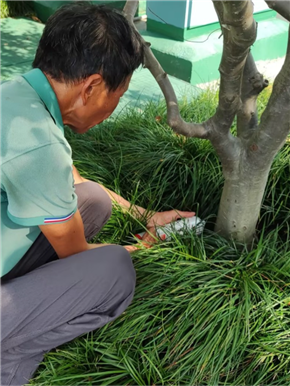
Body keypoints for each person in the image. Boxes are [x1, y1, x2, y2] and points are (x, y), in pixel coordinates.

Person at [0, 3, 195, 385]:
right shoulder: (38, 147)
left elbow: (67, 179)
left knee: (93, 200)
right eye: (119, 95)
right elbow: (77, 253)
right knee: (113, 272)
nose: (115, 105)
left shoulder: (18, 98)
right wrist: (145, 247)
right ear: (91, 87)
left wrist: (143, 215)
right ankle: (11, 353)